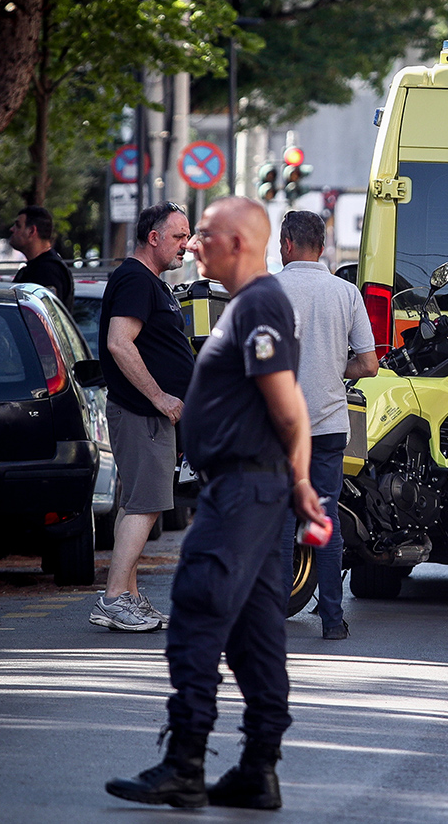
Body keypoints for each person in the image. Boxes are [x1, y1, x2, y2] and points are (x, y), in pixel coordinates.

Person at [105, 196, 327, 810]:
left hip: (244, 492)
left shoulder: (257, 305)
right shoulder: (245, 306)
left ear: (237, 243)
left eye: (203, 235)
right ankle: (258, 770)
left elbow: (286, 405)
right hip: (251, 488)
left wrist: (302, 483)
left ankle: (185, 763)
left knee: (199, 613)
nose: (195, 245)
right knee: (256, 634)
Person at [91, 202, 195, 632]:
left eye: (187, 237)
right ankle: (114, 597)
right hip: (142, 413)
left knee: (137, 504)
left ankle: (128, 598)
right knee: (147, 505)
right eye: (178, 237)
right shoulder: (136, 278)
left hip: (143, 413)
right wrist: (160, 398)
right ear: (153, 238)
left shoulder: (147, 281)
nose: (185, 246)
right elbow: (120, 343)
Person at [275, 211, 378, 640]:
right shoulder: (346, 292)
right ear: (322, 246)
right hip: (330, 426)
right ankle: (333, 621)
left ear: (285, 244)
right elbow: (369, 364)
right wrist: (337, 368)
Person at [9, 205, 74, 313]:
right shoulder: (38, 267)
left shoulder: (47, 270)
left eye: (18, 225)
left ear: (31, 231)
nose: (12, 229)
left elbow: (42, 318)